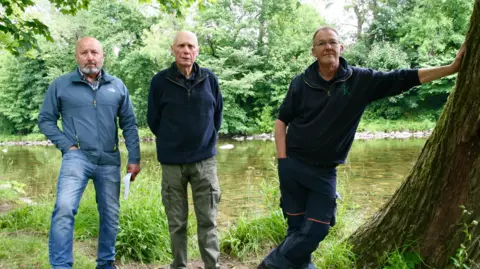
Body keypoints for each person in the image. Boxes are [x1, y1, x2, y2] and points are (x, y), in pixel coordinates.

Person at [258, 26, 465, 269]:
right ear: (313, 51)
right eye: (321, 43)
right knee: (297, 230)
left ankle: (267, 266)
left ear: (341, 48)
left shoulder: (358, 80)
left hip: (324, 172)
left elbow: (401, 78)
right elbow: (282, 120)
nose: (327, 47)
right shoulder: (301, 83)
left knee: (317, 228)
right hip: (292, 166)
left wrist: (450, 69)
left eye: (332, 42)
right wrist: (282, 161)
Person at [38, 37, 141, 269]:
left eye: (94, 52)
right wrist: (67, 146)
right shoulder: (61, 85)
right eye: (84, 53)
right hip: (77, 158)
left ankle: (105, 264)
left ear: (103, 56)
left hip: (109, 159)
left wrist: (134, 158)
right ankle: (62, 265)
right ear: (76, 57)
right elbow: (46, 120)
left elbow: (130, 125)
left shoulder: (117, 86)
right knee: (64, 208)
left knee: (111, 215)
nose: (90, 57)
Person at [147, 30, 223, 269]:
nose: (186, 51)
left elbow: (217, 115)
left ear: (197, 51)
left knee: (208, 220)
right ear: (173, 49)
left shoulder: (209, 79)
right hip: (172, 163)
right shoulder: (160, 81)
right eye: (181, 46)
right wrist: (173, 141)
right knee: (177, 222)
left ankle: (212, 266)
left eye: (191, 46)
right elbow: (153, 120)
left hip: (204, 162)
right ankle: (179, 265)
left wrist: (204, 141)